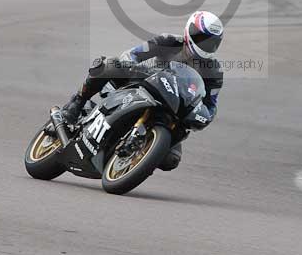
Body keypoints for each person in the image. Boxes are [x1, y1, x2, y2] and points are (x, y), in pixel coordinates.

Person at [62, 10, 225, 171]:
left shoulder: (214, 72)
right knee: (110, 64)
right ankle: (77, 103)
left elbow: (210, 105)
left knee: (171, 159)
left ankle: (134, 160)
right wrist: (130, 64)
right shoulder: (168, 41)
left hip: (173, 107)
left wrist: (204, 117)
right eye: (202, 39)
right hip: (141, 82)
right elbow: (133, 54)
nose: (205, 45)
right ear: (189, 31)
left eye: (211, 42)